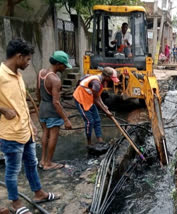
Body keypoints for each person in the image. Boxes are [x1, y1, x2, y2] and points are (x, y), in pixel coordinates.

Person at [0, 39, 60, 214]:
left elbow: (21, 103)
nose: (28, 63)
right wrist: (2, 109)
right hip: (10, 133)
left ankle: (38, 193)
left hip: (25, 130)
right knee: (13, 170)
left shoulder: (17, 74)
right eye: (27, 59)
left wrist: (31, 123)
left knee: (32, 163)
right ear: (19, 57)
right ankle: (15, 202)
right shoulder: (1, 75)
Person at [36, 51, 73, 171]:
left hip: (42, 108)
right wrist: (66, 119)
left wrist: (40, 105)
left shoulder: (41, 73)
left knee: (45, 133)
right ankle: (48, 163)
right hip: (52, 111)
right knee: (53, 136)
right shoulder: (55, 80)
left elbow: (38, 93)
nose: (65, 67)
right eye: (64, 65)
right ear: (58, 64)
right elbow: (56, 102)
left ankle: (42, 160)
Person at [73, 67, 119, 146]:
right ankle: (89, 143)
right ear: (107, 77)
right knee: (89, 122)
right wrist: (106, 111)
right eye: (111, 79)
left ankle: (100, 140)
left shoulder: (100, 81)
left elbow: (97, 96)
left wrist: (104, 106)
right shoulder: (96, 83)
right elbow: (96, 99)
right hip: (81, 99)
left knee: (97, 120)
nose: (112, 81)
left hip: (89, 99)